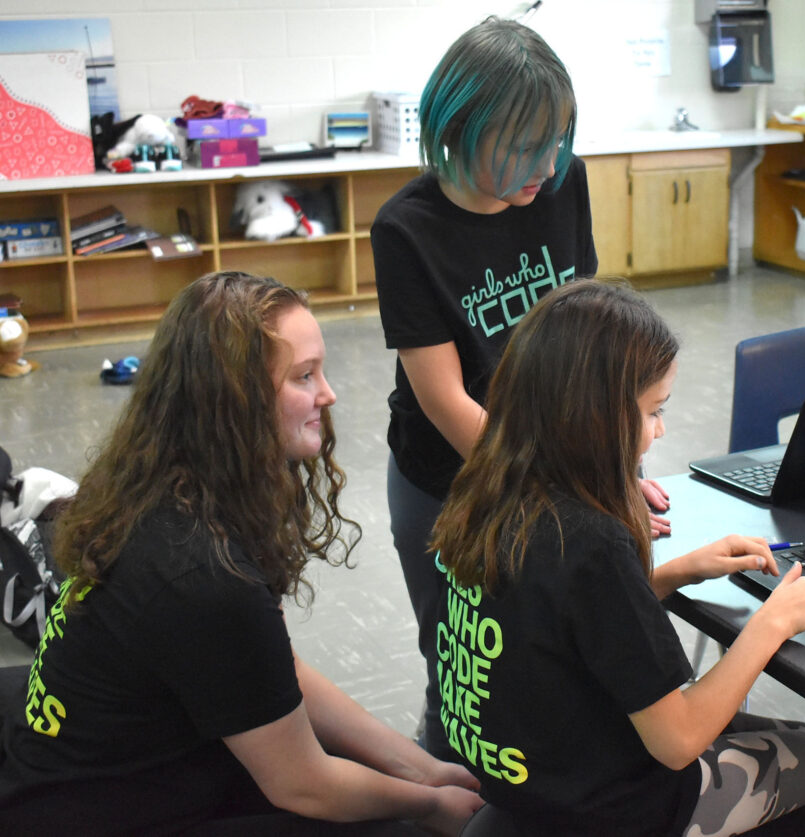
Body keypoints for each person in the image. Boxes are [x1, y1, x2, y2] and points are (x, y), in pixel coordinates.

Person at [0, 271, 483, 835]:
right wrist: (430, 806)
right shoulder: (202, 571)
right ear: (235, 401)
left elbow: (280, 671)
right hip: (92, 813)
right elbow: (303, 784)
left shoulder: (169, 486)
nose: (328, 394)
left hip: (119, 757)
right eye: (304, 376)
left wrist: (423, 769)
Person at [429, 279, 805, 837]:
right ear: (593, 417)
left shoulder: (487, 492)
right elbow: (679, 740)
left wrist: (676, 572)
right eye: (652, 411)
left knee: (771, 736)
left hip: (529, 779)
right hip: (619, 809)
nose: (660, 429)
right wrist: (773, 622)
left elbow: (561, 620)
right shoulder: (592, 541)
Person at [373, 15, 670, 758]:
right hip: (450, 477)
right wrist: (570, 484)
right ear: (460, 128)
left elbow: (589, 344)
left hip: (553, 470)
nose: (547, 164)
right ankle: (449, 789)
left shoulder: (564, 184)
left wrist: (609, 466)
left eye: (557, 139)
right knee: (463, 671)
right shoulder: (406, 228)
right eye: (524, 145)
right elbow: (445, 400)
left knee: (552, 663)